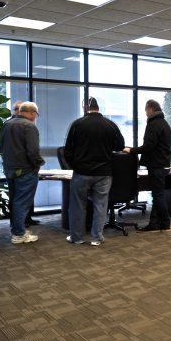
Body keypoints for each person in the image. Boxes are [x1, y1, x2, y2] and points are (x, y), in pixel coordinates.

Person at [64, 97, 125, 246]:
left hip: (81, 172)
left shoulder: (77, 124)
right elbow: (120, 146)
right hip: (104, 173)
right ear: (99, 108)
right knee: (100, 205)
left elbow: (68, 150)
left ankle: (76, 237)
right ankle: (96, 238)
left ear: (85, 107)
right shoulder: (110, 124)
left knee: (78, 205)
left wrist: (75, 165)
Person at [0, 101, 44, 244]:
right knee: (22, 202)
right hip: (25, 171)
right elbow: (33, 151)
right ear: (31, 113)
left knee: (15, 200)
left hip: (10, 169)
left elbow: (0, 148)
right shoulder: (29, 126)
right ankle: (18, 234)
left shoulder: (7, 124)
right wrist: (38, 164)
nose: (36, 117)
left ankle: (17, 229)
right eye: (36, 114)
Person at [124, 99, 171, 231]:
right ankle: (155, 224)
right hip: (162, 164)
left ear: (150, 109)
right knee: (157, 195)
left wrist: (131, 150)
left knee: (158, 195)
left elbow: (149, 146)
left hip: (156, 165)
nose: (145, 113)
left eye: (146, 110)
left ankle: (166, 222)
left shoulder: (154, 124)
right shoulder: (164, 123)